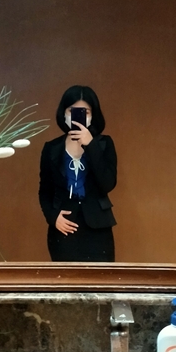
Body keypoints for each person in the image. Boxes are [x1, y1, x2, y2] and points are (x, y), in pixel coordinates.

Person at [39, 85, 117, 262]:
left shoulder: (104, 144)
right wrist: (53, 217)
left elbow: (107, 183)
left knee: (101, 278)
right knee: (66, 278)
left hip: (99, 229)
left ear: (93, 115)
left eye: (85, 112)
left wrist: (91, 145)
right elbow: (44, 192)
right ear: (64, 113)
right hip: (64, 229)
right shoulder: (51, 148)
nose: (78, 116)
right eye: (72, 110)